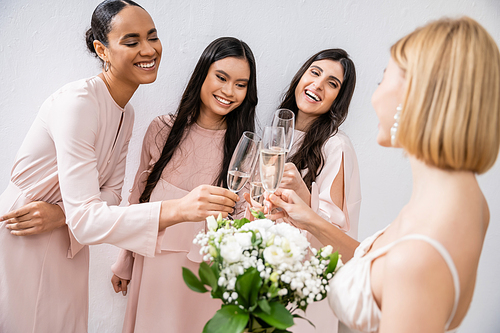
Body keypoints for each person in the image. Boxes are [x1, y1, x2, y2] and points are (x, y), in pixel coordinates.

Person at [0, 2, 237, 332]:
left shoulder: (126, 112)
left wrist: (60, 214)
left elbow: (108, 196)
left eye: (152, 37)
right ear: (102, 49)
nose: (148, 49)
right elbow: (87, 216)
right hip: (25, 228)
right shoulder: (78, 103)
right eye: (131, 41)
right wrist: (179, 210)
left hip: (60, 228)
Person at [267, 16, 500, 332]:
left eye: (382, 79)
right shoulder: (459, 203)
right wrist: (306, 216)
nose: (375, 97)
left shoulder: (418, 257)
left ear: (419, 94)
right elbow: (369, 260)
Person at [110, 37, 258, 332]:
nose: (229, 91)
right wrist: (124, 260)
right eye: (222, 77)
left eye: (241, 84)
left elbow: (245, 218)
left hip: (209, 274)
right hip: (153, 264)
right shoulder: (161, 129)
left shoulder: (246, 148)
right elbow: (139, 199)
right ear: (202, 73)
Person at [246, 49, 361, 333]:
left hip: (304, 282)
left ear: (338, 99)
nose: (318, 85)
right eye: (315, 72)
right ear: (301, 75)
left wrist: (301, 191)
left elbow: (335, 232)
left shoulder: (336, 145)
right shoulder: (275, 134)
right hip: (267, 269)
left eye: (332, 84)